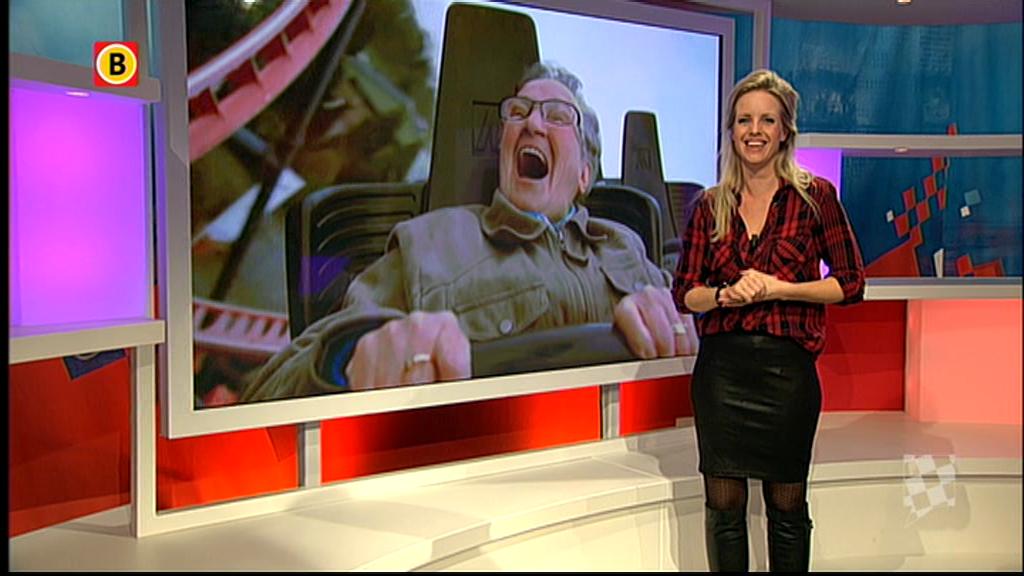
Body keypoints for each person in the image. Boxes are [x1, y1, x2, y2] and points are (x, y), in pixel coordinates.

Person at [242, 62, 698, 401]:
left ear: (584, 173)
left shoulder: (624, 244)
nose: (531, 123)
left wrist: (691, 324)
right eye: (518, 112)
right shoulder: (430, 242)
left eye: (557, 116)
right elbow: (269, 388)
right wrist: (350, 355)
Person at [674, 69, 865, 572]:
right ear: (732, 131)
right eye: (744, 120)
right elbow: (684, 294)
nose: (754, 131)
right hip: (722, 375)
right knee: (724, 506)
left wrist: (782, 288)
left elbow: (850, 283)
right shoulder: (709, 206)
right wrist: (723, 295)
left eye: (766, 120)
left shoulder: (815, 197)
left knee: (786, 505)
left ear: (784, 131)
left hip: (787, 376)